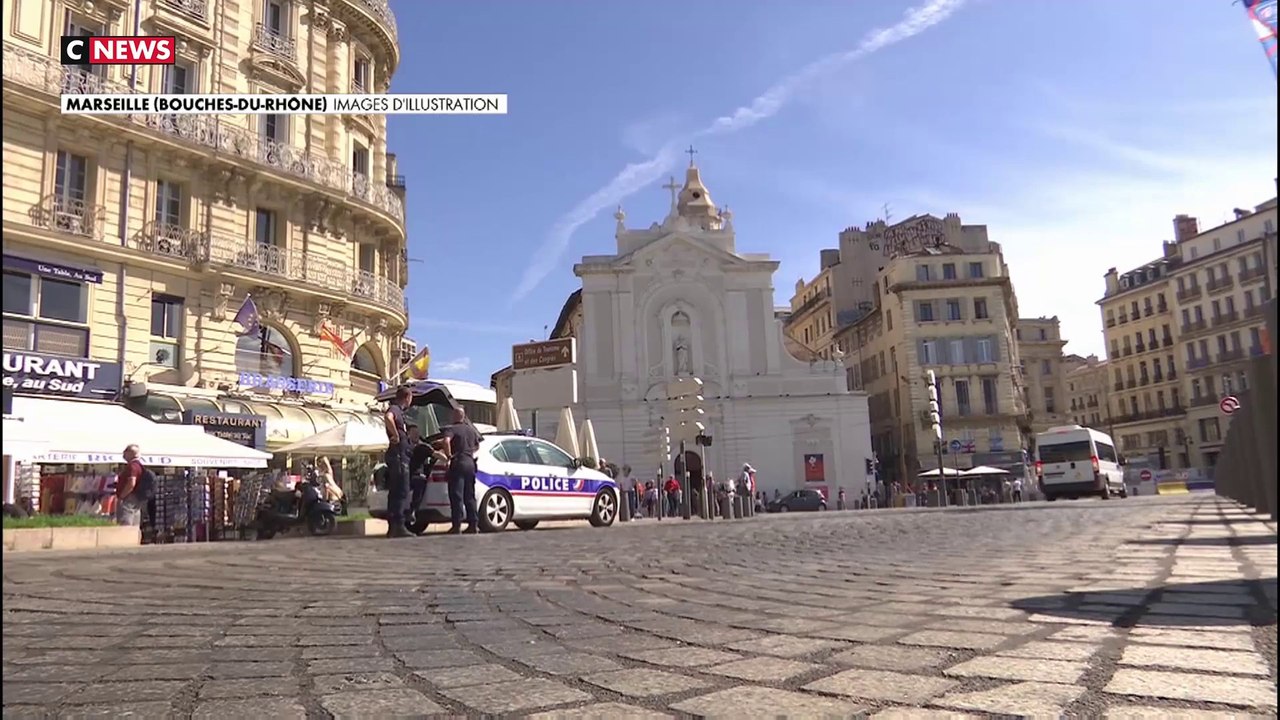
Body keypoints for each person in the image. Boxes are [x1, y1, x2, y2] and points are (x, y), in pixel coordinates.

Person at [442, 407, 483, 534]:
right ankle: (473, 524)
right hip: (470, 463)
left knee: (456, 495)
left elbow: (446, 441)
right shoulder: (471, 430)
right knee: (469, 495)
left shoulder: (451, 429)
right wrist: (469, 452)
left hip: (458, 463)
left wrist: (448, 456)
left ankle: (457, 525)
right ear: (463, 416)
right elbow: (477, 446)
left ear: (454, 416)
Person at [382, 386, 413, 538]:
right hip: (399, 456)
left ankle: (393, 527)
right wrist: (395, 435)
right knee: (401, 490)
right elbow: (388, 417)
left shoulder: (400, 412)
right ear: (407, 397)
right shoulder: (395, 409)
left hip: (398, 455)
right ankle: (398, 525)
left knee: (395, 492)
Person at [115, 444, 154, 527]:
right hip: (137, 498)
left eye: (125, 452)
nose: (123, 454)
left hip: (129, 497)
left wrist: (122, 496)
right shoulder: (139, 466)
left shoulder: (132, 466)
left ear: (130, 453)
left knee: (125, 521)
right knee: (135, 521)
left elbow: (131, 482)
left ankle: (125, 538)